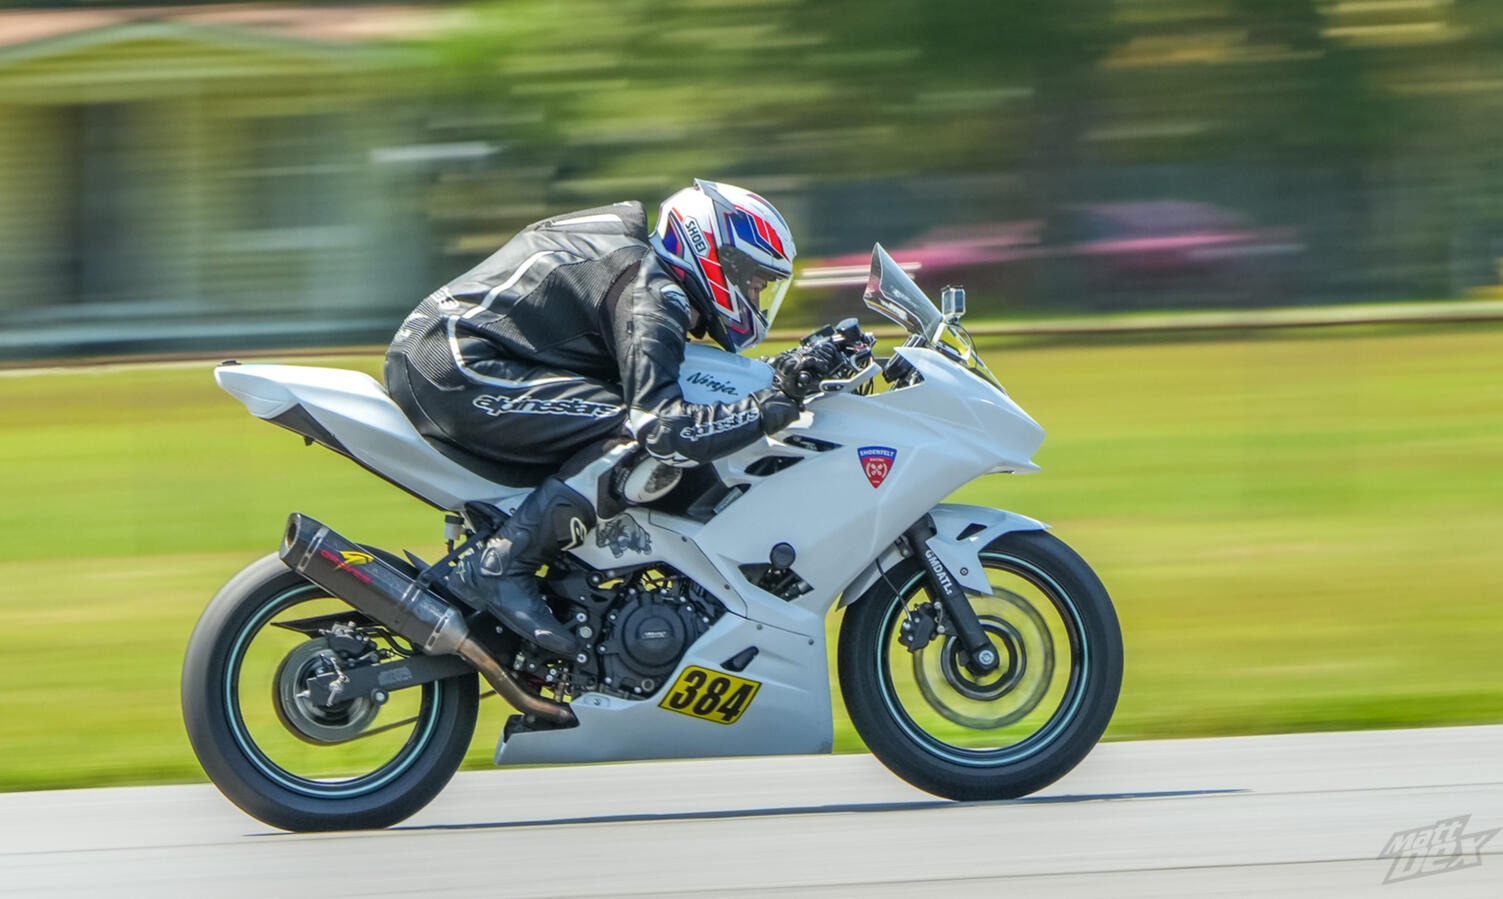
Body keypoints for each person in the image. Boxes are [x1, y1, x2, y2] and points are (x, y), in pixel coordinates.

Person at [384, 179, 844, 657]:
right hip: (454, 366)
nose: (756, 294)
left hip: (447, 352)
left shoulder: (639, 267)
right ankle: (504, 564)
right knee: (639, 439)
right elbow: (664, 431)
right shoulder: (651, 292)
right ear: (716, 254)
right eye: (753, 280)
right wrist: (766, 407)